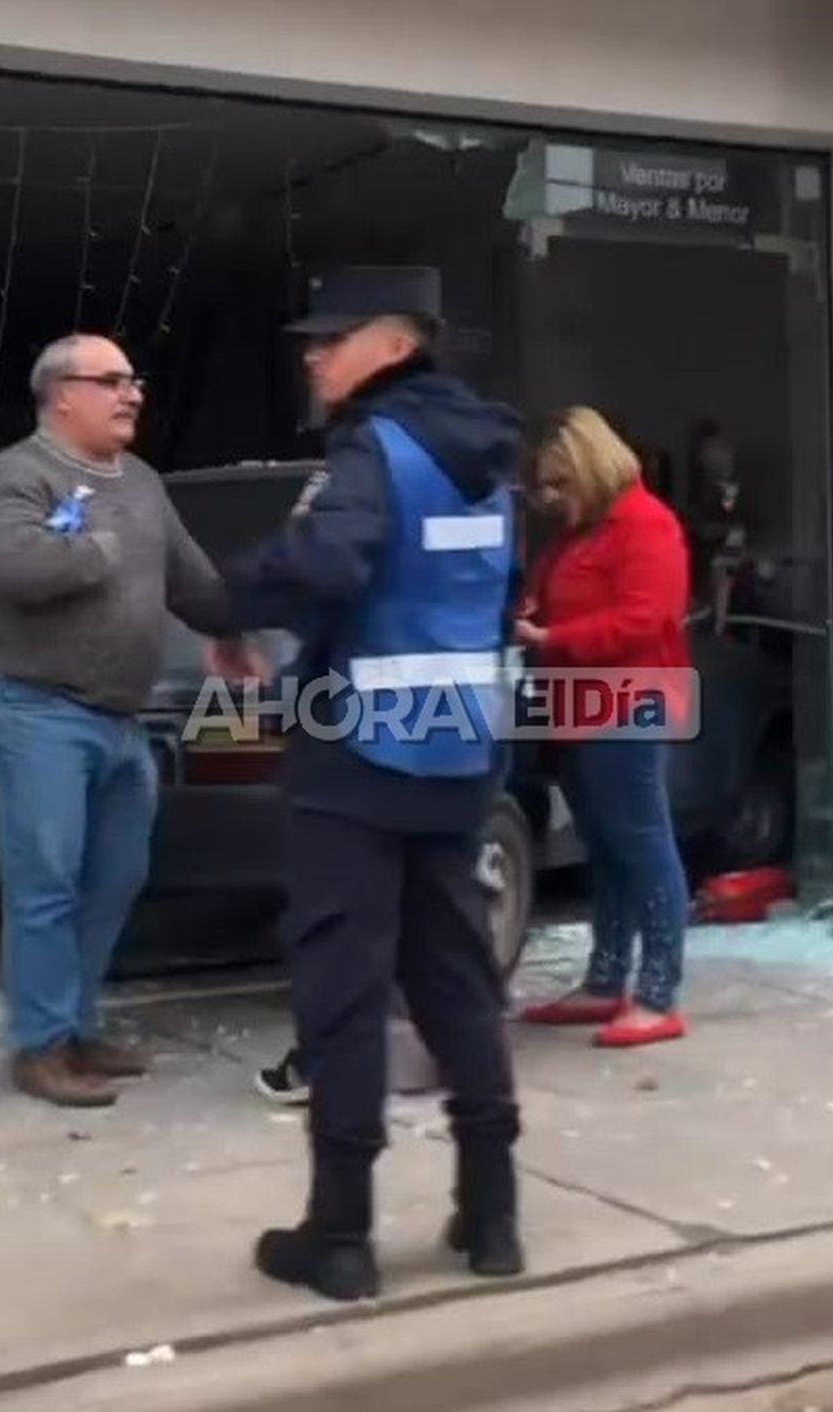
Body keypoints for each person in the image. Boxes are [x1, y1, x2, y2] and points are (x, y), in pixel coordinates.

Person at [210, 265, 526, 1302]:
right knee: (458, 978)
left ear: (394, 344)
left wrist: (228, 600)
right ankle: (493, 1215)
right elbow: (499, 592)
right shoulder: (489, 455)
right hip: (459, 748)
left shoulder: (372, 445)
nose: (312, 354)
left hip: (357, 756)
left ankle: (339, 1233)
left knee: (342, 990)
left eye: (330, 338)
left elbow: (329, 563)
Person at [0, 333, 257, 1109]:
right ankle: (40, 1046)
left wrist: (233, 624)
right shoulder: (13, 476)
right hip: (30, 706)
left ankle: (77, 1024)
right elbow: (11, 569)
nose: (133, 394)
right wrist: (98, 549)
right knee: (45, 881)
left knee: (116, 877)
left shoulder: (144, 483)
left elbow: (191, 579)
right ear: (62, 394)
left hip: (120, 717)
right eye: (113, 381)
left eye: (135, 382)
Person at [514, 407, 694, 1048]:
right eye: (545, 487)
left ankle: (657, 993)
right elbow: (550, 595)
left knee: (642, 845)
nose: (551, 499)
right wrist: (532, 610)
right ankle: (606, 980)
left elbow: (645, 620)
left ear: (589, 470)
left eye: (560, 485)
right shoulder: (578, 535)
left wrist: (551, 635)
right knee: (608, 849)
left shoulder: (645, 526)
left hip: (628, 705)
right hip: (577, 708)